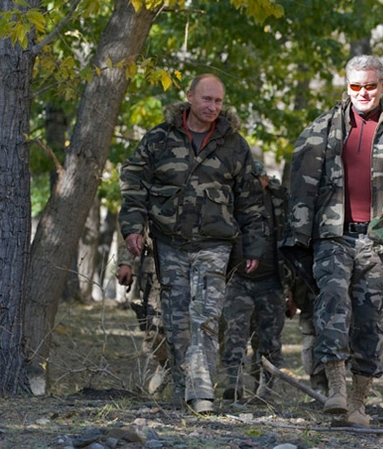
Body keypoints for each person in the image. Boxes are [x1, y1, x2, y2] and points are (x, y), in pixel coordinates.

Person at [285, 55, 383, 427]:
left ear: (382, 86)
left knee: (370, 322)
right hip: (332, 236)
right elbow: (298, 187)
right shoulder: (321, 129)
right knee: (331, 307)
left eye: (370, 85)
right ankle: (336, 390)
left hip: (379, 241)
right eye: (355, 86)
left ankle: (359, 404)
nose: (362, 93)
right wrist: (297, 241)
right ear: (346, 87)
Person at [119, 74, 267, 415]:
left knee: (206, 316)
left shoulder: (234, 144)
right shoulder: (159, 138)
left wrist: (254, 247)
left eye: (218, 101)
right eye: (207, 99)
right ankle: (182, 390)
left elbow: (250, 201)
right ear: (189, 97)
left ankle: (202, 393)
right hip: (169, 242)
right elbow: (134, 185)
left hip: (215, 245)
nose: (213, 107)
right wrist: (131, 229)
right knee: (175, 319)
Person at [220, 161, 291, 401]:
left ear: (266, 180)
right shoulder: (232, 200)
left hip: (273, 281)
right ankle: (233, 384)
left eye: (256, 180)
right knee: (234, 333)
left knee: (270, 339)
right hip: (238, 279)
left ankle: (266, 390)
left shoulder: (280, 201)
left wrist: (292, 289)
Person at [115, 231, 169, 396]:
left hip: (193, 264)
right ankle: (164, 365)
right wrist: (126, 262)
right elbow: (134, 227)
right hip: (155, 273)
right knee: (154, 330)